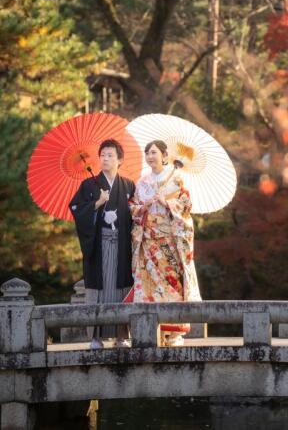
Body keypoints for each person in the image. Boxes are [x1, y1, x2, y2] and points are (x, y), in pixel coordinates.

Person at [125, 139, 201, 346]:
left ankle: (175, 333)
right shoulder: (142, 182)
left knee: (173, 283)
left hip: (170, 241)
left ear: (165, 155)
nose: (150, 156)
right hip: (149, 241)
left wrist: (167, 203)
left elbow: (186, 205)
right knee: (150, 285)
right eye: (147, 153)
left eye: (154, 152)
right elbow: (132, 207)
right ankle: (154, 329)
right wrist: (143, 206)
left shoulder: (177, 179)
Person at [69, 139, 135, 349]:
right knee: (97, 290)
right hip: (98, 246)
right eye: (103, 155)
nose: (105, 159)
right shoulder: (89, 185)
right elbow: (76, 208)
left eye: (110, 155)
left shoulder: (128, 186)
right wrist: (97, 202)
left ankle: (122, 336)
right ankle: (95, 338)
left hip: (122, 247)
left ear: (120, 160)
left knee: (121, 288)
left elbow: (136, 215)